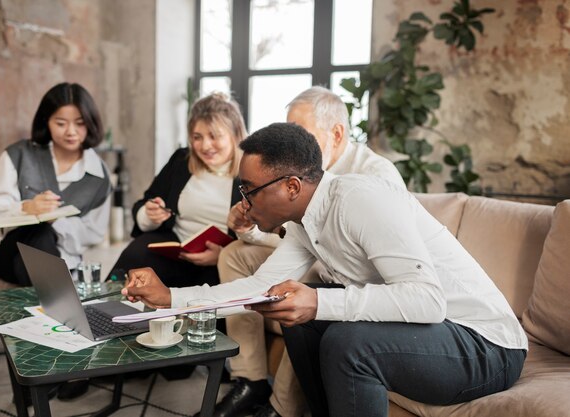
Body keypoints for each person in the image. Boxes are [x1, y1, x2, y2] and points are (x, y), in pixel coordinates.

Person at [122, 122, 527, 417]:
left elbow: (428, 300)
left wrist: (318, 300)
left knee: (348, 341)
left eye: (249, 189)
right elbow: (260, 286)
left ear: (292, 187)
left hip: (486, 345)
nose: (242, 203)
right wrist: (171, 298)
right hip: (436, 337)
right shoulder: (306, 221)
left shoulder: (359, 200)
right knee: (295, 316)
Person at [215, 86, 405, 417]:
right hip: (309, 258)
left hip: (350, 279)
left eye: (301, 133)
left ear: (336, 133)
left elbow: (348, 259)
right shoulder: (296, 169)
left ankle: (282, 407)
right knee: (233, 254)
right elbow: (299, 240)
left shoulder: (376, 176)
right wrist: (252, 227)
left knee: (302, 283)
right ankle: (250, 378)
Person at [0, 82, 112, 287]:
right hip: (7, 249)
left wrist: (56, 221)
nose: (71, 132)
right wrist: (25, 208)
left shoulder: (99, 176)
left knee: (42, 238)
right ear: (46, 121)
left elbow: (93, 233)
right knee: (39, 234)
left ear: (91, 122)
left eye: (80, 123)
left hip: (62, 255)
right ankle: (61, 307)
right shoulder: (19, 154)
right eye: (60, 123)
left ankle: (40, 312)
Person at [109, 92, 246, 288]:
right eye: (197, 137)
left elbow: (260, 234)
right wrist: (149, 214)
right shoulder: (182, 161)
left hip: (219, 260)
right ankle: (100, 306)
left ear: (235, 135)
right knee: (136, 252)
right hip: (176, 251)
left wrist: (224, 254)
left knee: (209, 290)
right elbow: (145, 202)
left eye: (214, 136)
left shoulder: (250, 172)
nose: (205, 146)